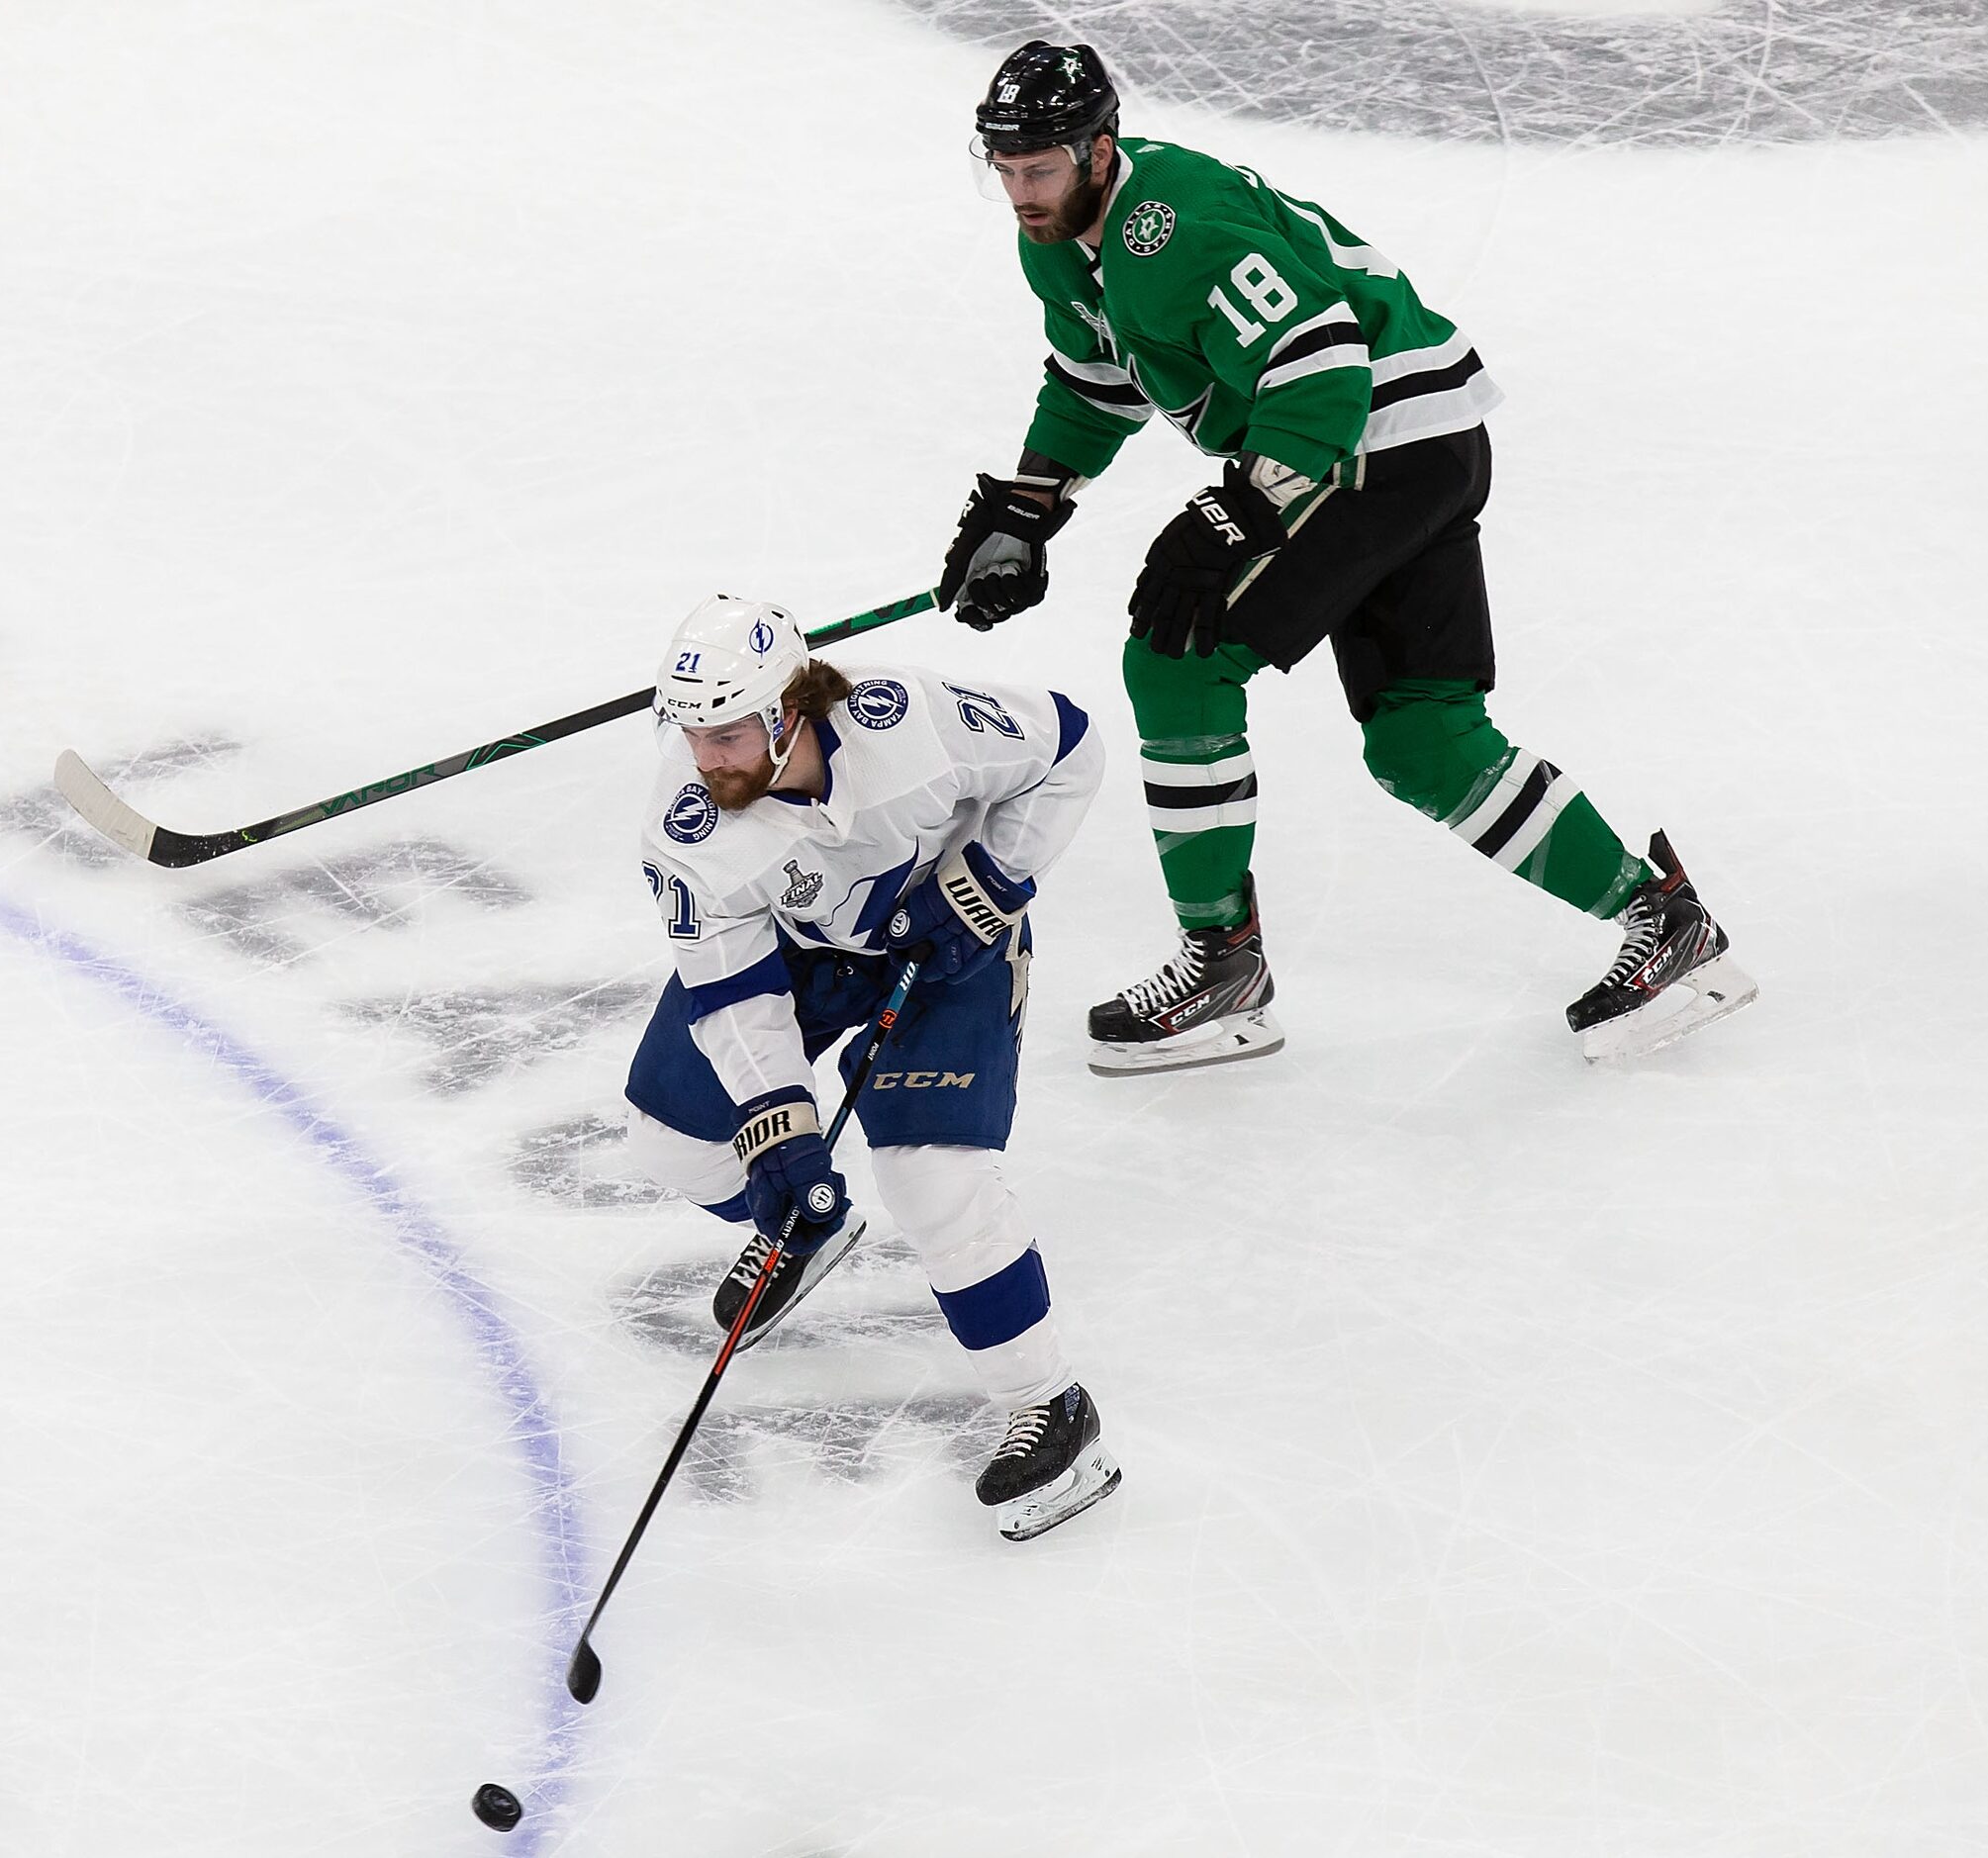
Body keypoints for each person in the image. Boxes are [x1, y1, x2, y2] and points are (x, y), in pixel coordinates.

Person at [934, 41, 1757, 1072]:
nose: (1020, 192)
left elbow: (1322, 363)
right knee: (1425, 741)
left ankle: (1222, 966)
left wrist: (1237, 515)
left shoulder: (1173, 225)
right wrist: (1027, 507)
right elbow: (1097, 383)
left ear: (1101, 148)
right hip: (1417, 445)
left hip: (1375, 441)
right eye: (1004, 170)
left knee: (1177, 654)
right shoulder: (1057, 239)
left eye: (1040, 168)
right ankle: (1668, 924)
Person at [618, 593, 1121, 1542]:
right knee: (674, 1144)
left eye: (726, 733)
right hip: (804, 952)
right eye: (690, 735)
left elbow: (1068, 747)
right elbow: (732, 990)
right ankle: (805, 1233)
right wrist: (783, 1136)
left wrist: (989, 886)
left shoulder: (912, 723)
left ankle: (1049, 1404)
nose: (705, 760)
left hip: (949, 947)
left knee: (931, 1176)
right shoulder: (687, 825)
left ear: (788, 710)